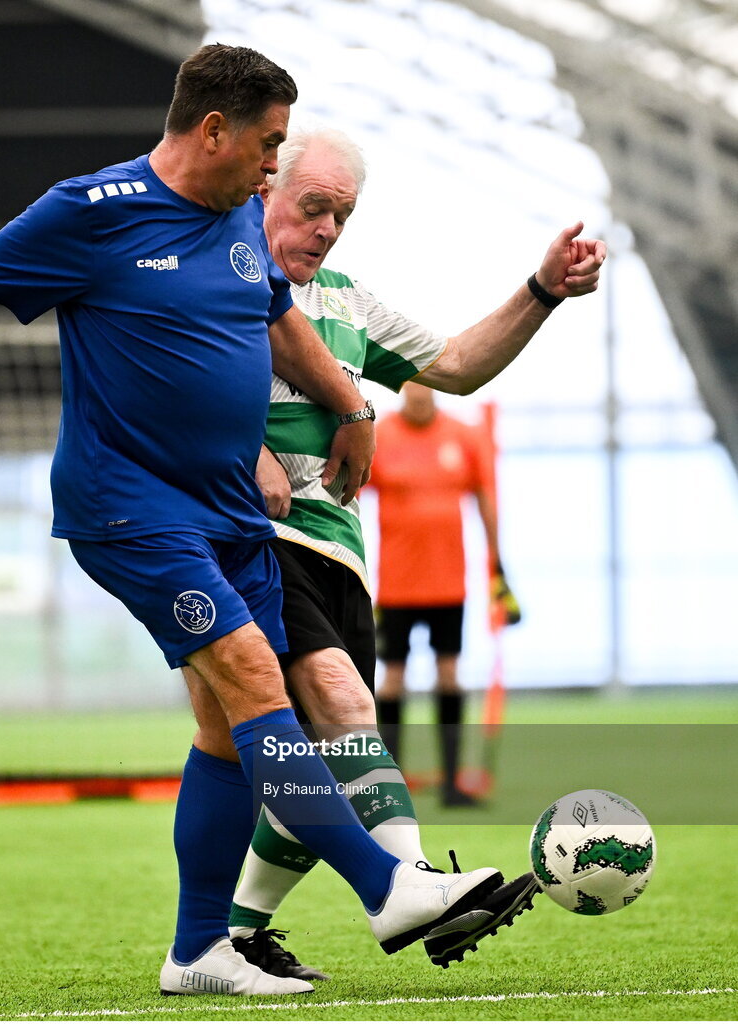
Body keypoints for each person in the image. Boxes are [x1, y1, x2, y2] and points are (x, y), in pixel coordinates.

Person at [0, 45, 510, 998]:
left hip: (228, 513)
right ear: (214, 129)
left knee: (228, 730)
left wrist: (351, 407)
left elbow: (280, 321)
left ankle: (197, 951)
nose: (275, 167)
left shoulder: (234, 225)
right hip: (132, 510)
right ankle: (387, 886)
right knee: (255, 676)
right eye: (269, 146)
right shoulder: (89, 211)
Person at [225, 127, 605, 978]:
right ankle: (415, 887)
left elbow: (460, 365)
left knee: (326, 762)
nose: (325, 229)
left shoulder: (350, 304)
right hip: (252, 539)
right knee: (342, 701)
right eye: (311, 206)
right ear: (262, 193)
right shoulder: (217, 279)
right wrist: (237, 451)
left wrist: (542, 290)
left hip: (341, 557)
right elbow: (161, 383)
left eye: (341, 216)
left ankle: (239, 930)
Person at [370, 381, 520, 806]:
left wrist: (498, 565)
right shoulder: (380, 435)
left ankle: (453, 783)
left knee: (449, 673)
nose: (421, 405)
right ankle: (388, 785)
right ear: (402, 395)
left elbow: (484, 498)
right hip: (395, 586)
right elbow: (350, 496)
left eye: (428, 398)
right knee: (393, 678)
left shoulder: (462, 435)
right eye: (413, 398)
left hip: (449, 583)